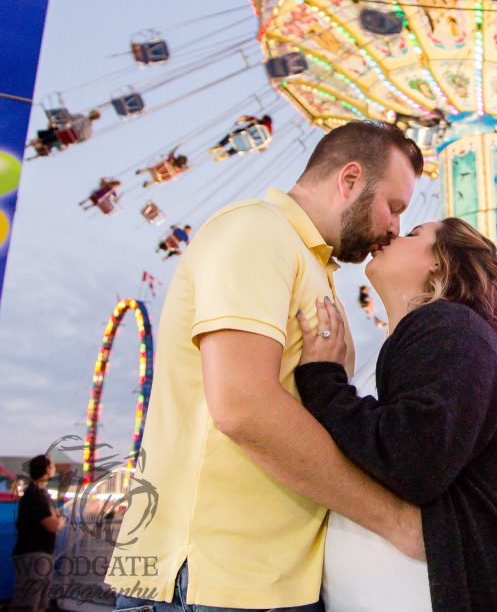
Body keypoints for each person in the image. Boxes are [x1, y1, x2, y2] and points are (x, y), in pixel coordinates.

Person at [108, 121, 426, 611]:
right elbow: (243, 406)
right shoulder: (256, 230)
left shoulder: (314, 266)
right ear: (350, 179)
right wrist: (394, 520)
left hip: (274, 583)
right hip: (211, 580)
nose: (395, 228)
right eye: (395, 206)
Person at [292, 218, 497, 610]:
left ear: (440, 261)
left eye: (413, 234)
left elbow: (414, 459)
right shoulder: (407, 346)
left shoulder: (453, 328)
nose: (392, 234)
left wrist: (322, 381)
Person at [10, 455, 65, 612]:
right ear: (46, 469)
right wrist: (60, 521)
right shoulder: (35, 495)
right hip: (33, 556)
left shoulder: (42, 494)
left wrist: (57, 519)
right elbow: (53, 524)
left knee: (41, 602)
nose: (55, 467)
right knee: (28, 603)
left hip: (41, 555)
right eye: (52, 465)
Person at [210, 114, 274, 159]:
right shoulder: (270, 133)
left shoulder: (260, 121)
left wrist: (239, 121)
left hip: (245, 134)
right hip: (251, 144)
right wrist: (258, 149)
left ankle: (220, 145)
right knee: (239, 147)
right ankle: (227, 154)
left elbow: (247, 118)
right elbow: (263, 148)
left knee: (232, 135)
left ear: (264, 118)